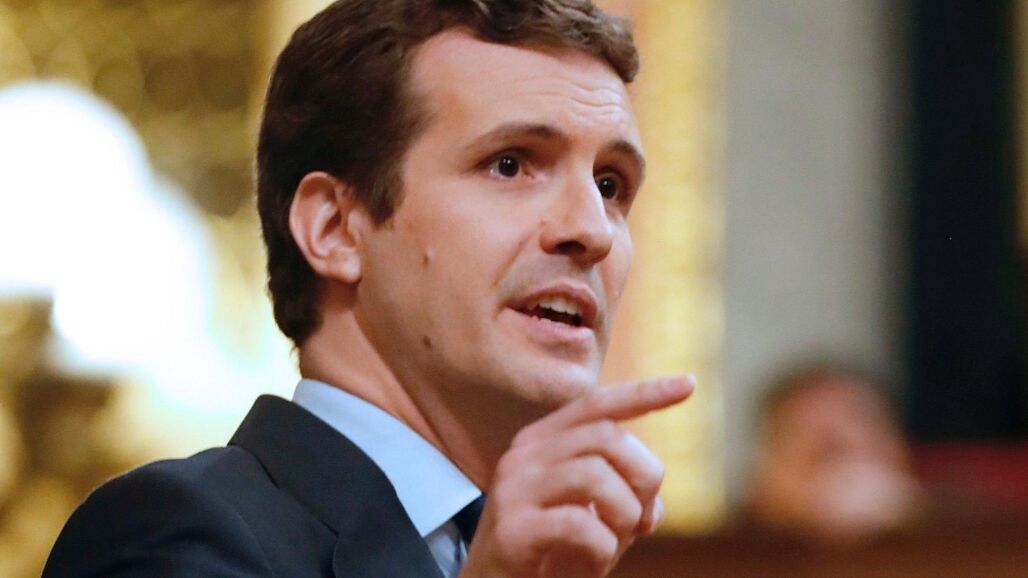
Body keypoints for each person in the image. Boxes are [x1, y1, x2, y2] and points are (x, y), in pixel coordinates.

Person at [42, 1, 694, 576]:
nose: (592, 230)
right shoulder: (172, 531)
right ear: (334, 230)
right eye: (509, 164)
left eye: (610, 185)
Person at [744, 363, 923, 543]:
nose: (842, 476)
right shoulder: (737, 549)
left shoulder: (932, 532)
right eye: (802, 434)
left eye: (859, 424)